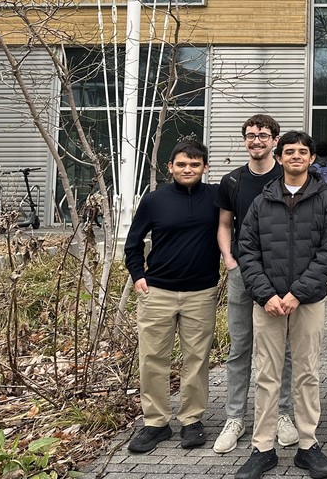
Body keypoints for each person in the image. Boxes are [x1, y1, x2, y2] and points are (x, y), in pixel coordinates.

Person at [236, 131, 327, 479]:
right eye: (289, 152)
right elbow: (247, 250)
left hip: (307, 301)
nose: (296, 156)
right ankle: (262, 447)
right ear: (279, 158)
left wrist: (298, 293)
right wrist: (265, 294)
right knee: (267, 375)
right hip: (266, 302)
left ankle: (308, 445)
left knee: (307, 373)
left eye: (303, 152)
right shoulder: (262, 201)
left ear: (312, 158)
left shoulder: (326, 200)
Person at [124, 140, 220, 455]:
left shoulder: (217, 198)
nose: (187, 169)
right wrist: (138, 275)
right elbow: (133, 242)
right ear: (171, 167)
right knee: (153, 359)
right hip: (158, 292)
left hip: (201, 293)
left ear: (205, 167)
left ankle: (192, 420)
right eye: (181, 164)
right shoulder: (154, 201)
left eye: (194, 164)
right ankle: (155, 423)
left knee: (196, 360)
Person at [214, 115, 297, 455]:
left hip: (278, 275)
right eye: (250, 135)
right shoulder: (232, 181)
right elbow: (223, 225)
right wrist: (230, 262)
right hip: (242, 276)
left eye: (263, 135)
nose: (256, 140)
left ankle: (283, 415)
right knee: (240, 349)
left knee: (283, 351)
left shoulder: (286, 176)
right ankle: (234, 418)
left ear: (275, 140)